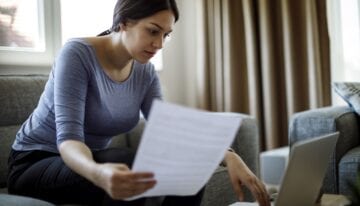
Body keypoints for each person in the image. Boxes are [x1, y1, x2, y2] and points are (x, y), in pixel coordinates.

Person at [7, 0, 270, 205]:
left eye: (166, 35)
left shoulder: (145, 72)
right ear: (123, 22)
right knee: (129, 166)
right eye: (153, 31)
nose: (159, 44)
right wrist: (100, 174)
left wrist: (227, 155)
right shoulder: (76, 55)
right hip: (36, 162)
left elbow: (169, 130)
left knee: (188, 172)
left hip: (89, 159)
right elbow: (69, 141)